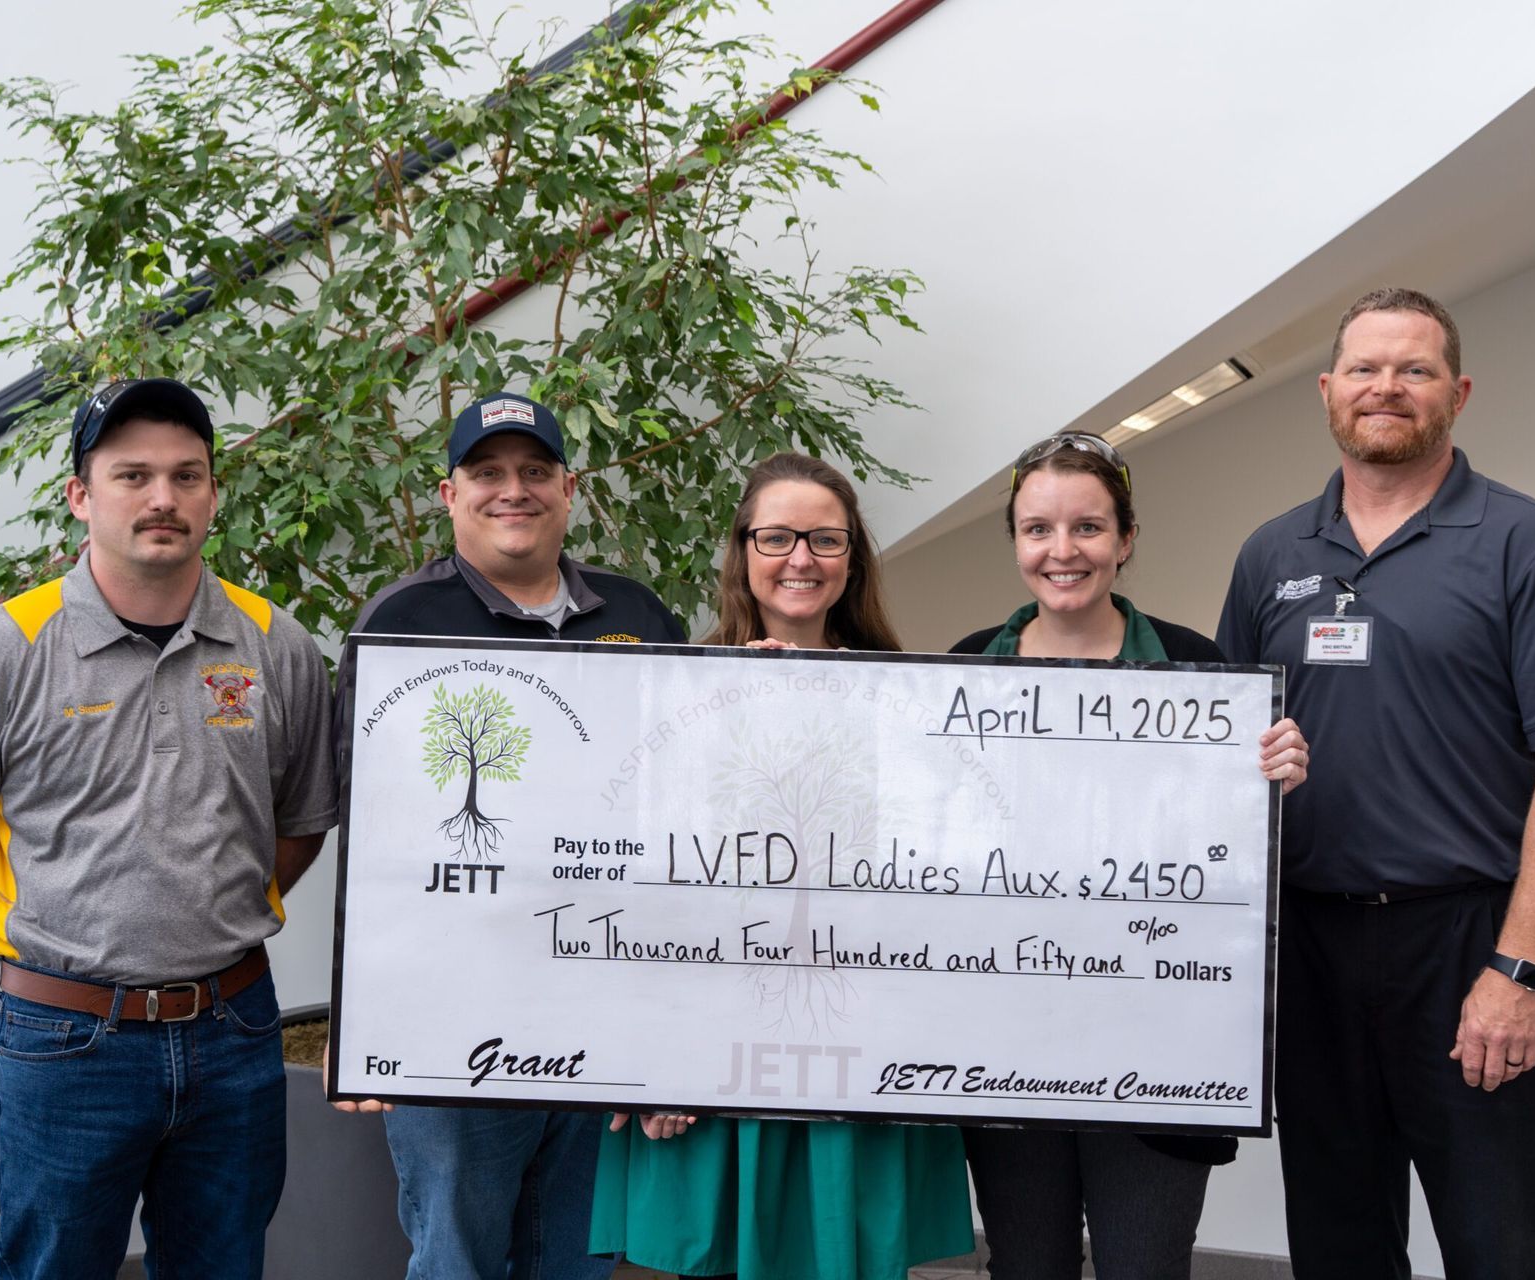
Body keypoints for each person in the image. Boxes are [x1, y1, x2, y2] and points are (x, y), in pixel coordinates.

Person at [1216, 287, 1535, 1278]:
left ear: (1459, 391)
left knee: (1499, 1243)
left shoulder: (1532, 545)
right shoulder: (1273, 552)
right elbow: (1221, 757)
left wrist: (1518, 969)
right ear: (1326, 389)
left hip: (1468, 947)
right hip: (1308, 947)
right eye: (1364, 368)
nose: (1386, 388)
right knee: (1337, 1241)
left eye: (1414, 369)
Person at [0, 377, 339, 1279]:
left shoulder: (275, 645)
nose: (163, 498)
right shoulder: (1, 652)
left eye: (187, 475)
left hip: (236, 1035)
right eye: (132, 475)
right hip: (63, 1047)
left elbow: (297, 827)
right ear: (81, 496)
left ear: (215, 494)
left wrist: (199, 914)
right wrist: (51, 940)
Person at [587, 451, 976, 1280]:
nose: (801, 558)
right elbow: (637, 890)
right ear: (743, 551)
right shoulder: (675, 698)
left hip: (858, 1042)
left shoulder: (911, 705)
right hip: (713, 1048)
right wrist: (650, 1054)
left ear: (853, 559)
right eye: (777, 537)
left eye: (825, 540)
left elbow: (944, 879)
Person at [331, 390, 684, 1280]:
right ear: (450, 495)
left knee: (575, 1257)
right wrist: (361, 1009)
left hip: (600, 1007)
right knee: (457, 1258)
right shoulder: (398, 624)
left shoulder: (641, 619)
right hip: (452, 1017)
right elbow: (368, 833)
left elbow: (681, 814)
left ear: (570, 489)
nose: (512, 490)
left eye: (534, 472)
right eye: (487, 473)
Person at [946, 431, 1308, 1279]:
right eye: (1038, 529)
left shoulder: (1202, 669)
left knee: (1145, 1267)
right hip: (1007, 1049)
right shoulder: (962, 670)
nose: (1062, 551)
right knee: (1025, 1267)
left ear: (1127, 539)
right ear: (1015, 541)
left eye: (1088, 528)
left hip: (1162, 1052)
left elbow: (1231, 866)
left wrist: (1273, 786)